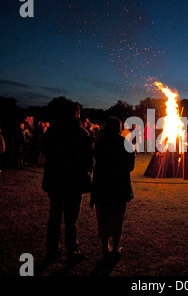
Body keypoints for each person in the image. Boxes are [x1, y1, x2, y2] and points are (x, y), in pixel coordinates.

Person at [42, 100, 94, 264]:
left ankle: (53, 250)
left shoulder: (52, 131)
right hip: (73, 181)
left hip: (55, 180)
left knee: (55, 216)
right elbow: (88, 159)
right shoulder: (80, 133)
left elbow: (46, 152)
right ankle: (72, 249)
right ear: (76, 113)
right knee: (71, 220)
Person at [90, 117, 135, 261]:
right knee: (117, 219)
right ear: (119, 128)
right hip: (119, 187)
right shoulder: (125, 143)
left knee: (102, 219)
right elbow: (130, 167)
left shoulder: (99, 143)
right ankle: (115, 249)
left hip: (102, 185)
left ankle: (105, 249)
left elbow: (95, 160)